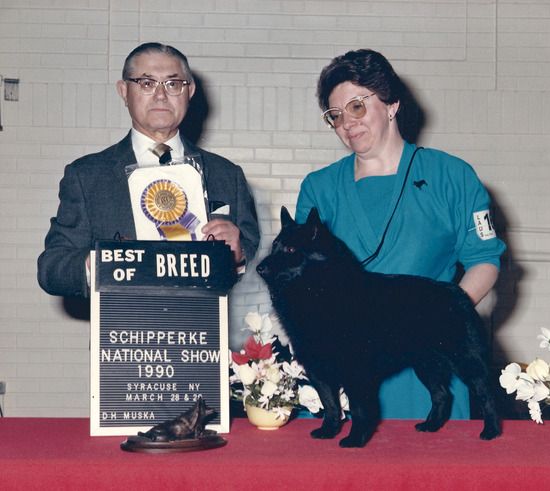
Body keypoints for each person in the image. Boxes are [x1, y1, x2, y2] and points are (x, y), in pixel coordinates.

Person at [295, 49, 506, 419]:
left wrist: (437, 321)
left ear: (391, 104)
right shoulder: (318, 188)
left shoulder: (452, 176)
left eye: (357, 107)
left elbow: (484, 260)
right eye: (335, 115)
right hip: (350, 357)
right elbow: (302, 278)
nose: (347, 123)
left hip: (431, 350)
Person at [38, 42, 259, 297]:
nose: (161, 95)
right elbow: (51, 268)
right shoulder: (86, 176)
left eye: (173, 84)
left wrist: (238, 255)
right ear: (124, 90)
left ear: (190, 91)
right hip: (121, 328)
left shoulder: (227, 175)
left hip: (201, 327)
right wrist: (100, 263)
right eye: (146, 83)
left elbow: (256, 263)